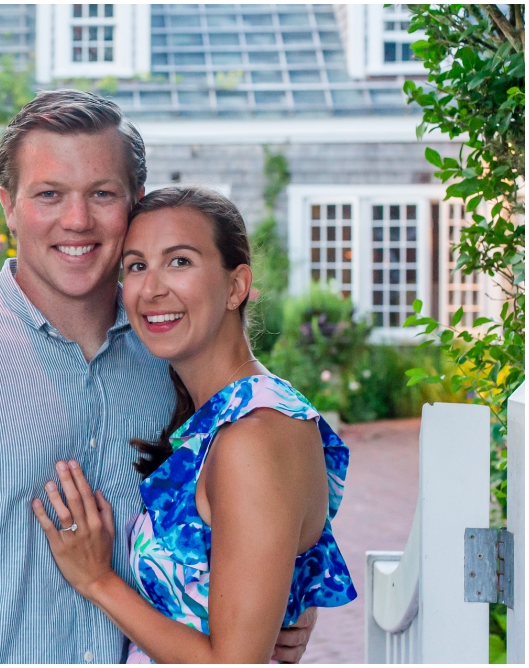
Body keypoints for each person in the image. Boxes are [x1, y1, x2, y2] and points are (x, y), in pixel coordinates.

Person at [0, 90, 317, 663]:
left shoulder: (174, 361)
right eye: (49, 195)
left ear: (135, 203)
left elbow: (253, 498)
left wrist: (280, 597)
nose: (77, 220)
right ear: (8, 204)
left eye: (102, 194)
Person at [31, 187, 357, 663]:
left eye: (179, 261)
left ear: (235, 286)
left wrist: (97, 580)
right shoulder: (224, 415)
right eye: (137, 265)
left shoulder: (254, 434)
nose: (152, 288)